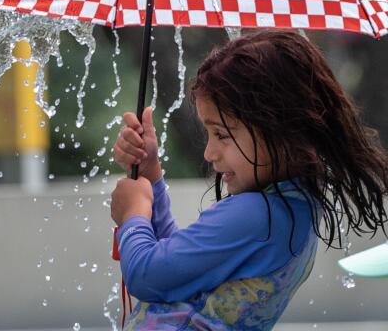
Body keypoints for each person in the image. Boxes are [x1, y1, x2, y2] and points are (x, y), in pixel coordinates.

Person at [111, 30, 388, 330]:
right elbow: (177, 273)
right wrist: (151, 175)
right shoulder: (295, 207)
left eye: (222, 134)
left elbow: (147, 276)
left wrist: (133, 214)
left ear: (279, 127)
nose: (208, 152)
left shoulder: (258, 215)